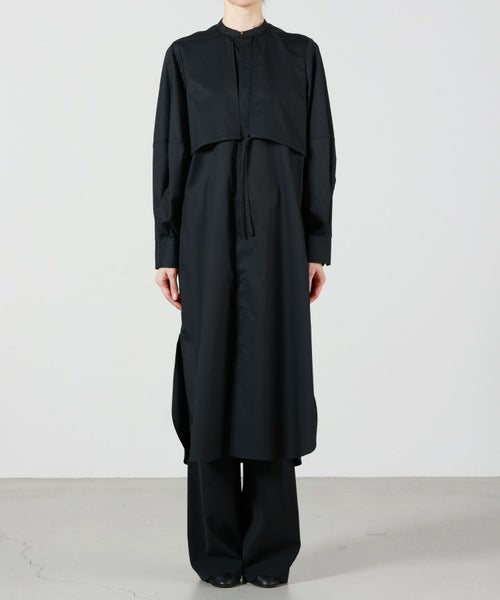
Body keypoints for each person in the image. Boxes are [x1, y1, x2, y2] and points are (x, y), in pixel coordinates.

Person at [152, 0, 336, 588]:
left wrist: (316, 244)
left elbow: (320, 152)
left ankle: (269, 551)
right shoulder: (185, 57)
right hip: (204, 243)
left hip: (281, 243)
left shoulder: (301, 56)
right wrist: (167, 249)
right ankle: (217, 551)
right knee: (208, 379)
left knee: (271, 378)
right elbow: (169, 153)